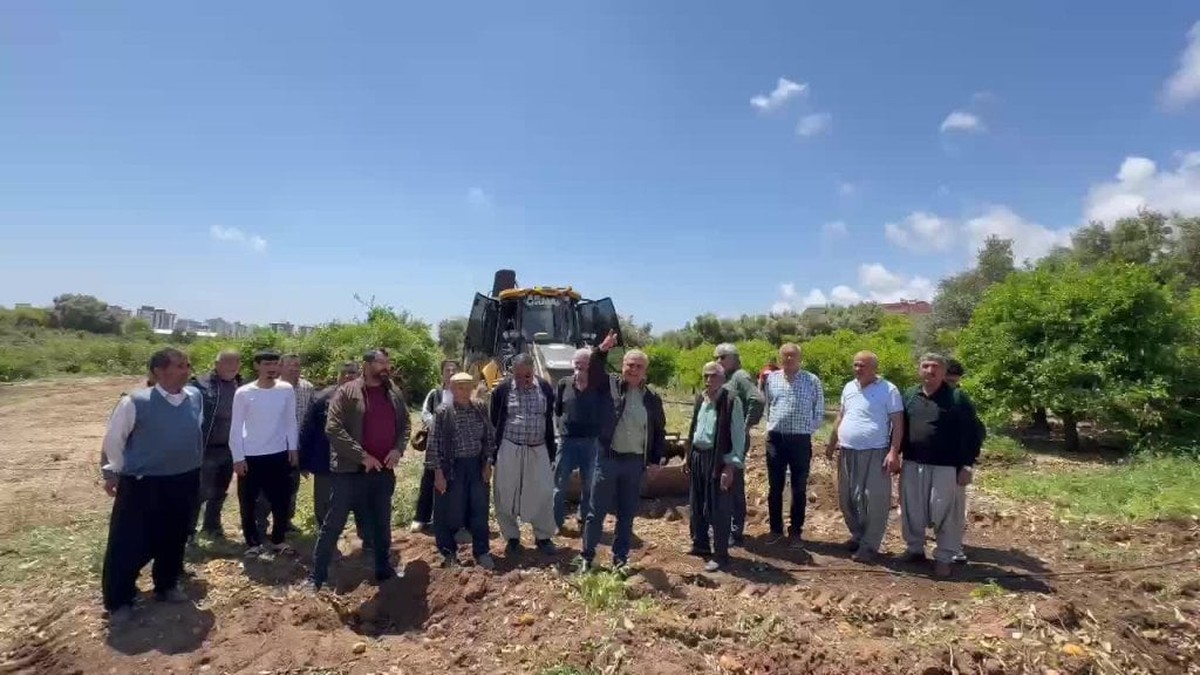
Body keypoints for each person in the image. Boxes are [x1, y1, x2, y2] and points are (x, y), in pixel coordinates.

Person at [99, 348, 203, 625]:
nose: (186, 370)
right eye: (179, 365)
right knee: (129, 541)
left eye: (187, 365)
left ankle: (166, 585)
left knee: (174, 536)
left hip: (184, 478)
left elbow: (194, 430)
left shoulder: (194, 397)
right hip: (144, 483)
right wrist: (120, 472)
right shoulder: (135, 401)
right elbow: (113, 442)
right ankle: (119, 599)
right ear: (159, 371)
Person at [310, 349, 410, 589]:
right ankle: (318, 577)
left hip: (383, 472)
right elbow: (333, 429)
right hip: (349, 472)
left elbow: (405, 424)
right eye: (381, 363)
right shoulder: (347, 392)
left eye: (388, 362)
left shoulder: (393, 392)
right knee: (333, 524)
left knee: (381, 523)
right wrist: (362, 456)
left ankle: (383, 569)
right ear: (367, 365)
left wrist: (397, 449)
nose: (386, 367)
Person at [577, 330, 667, 573]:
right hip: (608, 459)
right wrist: (602, 349)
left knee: (627, 515)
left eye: (638, 366)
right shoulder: (610, 387)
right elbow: (594, 371)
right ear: (623, 366)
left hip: (635, 463)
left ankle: (620, 559)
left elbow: (659, 431)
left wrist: (656, 460)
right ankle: (588, 557)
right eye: (629, 364)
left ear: (644, 371)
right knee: (596, 512)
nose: (633, 369)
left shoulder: (652, 398)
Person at [898, 353, 985, 578]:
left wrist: (967, 465)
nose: (930, 370)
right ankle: (915, 549)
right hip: (912, 462)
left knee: (947, 514)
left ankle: (944, 557)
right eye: (925, 366)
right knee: (912, 511)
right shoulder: (909, 395)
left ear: (943, 371)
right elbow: (900, 427)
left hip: (947, 467)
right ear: (919, 370)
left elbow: (974, 434)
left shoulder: (957, 398)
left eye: (935, 367)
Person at [825, 351, 904, 563]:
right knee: (847, 498)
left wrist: (894, 452)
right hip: (847, 451)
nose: (858, 369)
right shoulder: (849, 387)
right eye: (856, 365)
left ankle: (870, 545)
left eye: (863, 366)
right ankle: (858, 536)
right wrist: (831, 443)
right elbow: (841, 415)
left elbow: (898, 422)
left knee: (874, 500)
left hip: (875, 451)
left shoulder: (889, 390)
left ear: (874, 368)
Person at [230, 350, 299, 556]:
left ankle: (278, 540)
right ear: (256, 366)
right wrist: (238, 457)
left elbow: (290, 421)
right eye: (266, 364)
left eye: (274, 364)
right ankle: (253, 543)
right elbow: (236, 426)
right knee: (249, 502)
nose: (271, 368)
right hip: (251, 455)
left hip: (278, 453)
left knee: (281, 501)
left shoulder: (286, 389)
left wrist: (293, 447)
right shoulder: (243, 392)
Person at [489, 353, 558, 556]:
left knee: (543, 493)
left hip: (538, 448)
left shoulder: (545, 388)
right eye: (517, 377)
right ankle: (512, 538)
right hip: (510, 448)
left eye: (526, 377)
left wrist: (550, 450)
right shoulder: (502, 390)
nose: (521, 381)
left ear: (533, 372)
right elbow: (495, 420)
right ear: (512, 373)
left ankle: (543, 537)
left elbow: (549, 418)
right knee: (505, 493)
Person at [427, 371, 496, 569]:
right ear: (450, 388)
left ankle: (482, 551)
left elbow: (489, 438)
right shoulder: (443, 412)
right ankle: (449, 553)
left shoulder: (480, 408)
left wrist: (488, 463)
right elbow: (434, 444)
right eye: (459, 387)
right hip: (452, 467)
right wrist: (438, 474)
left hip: (476, 465)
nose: (463, 391)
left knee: (479, 509)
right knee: (448, 510)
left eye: (467, 386)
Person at [684, 362, 746, 572]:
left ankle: (720, 554)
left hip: (718, 458)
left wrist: (730, 466)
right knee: (697, 502)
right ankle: (700, 544)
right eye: (706, 376)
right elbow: (694, 429)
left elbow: (738, 435)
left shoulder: (731, 401)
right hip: (698, 457)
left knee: (719, 507)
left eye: (713, 376)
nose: (709, 380)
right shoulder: (701, 398)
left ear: (722, 378)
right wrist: (687, 457)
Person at [298, 360, 367, 545]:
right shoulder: (322, 397)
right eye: (344, 372)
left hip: (358, 461)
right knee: (324, 503)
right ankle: (326, 538)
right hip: (325, 460)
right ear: (337, 375)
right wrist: (303, 461)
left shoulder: (368, 397)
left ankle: (366, 538)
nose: (347, 376)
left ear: (359, 374)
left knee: (361, 500)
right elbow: (307, 428)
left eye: (352, 372)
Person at [761, 343, 824, 545]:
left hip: (800, 440)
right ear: (780, 358)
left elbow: (819, 409)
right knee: (775, 486)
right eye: (785, 356)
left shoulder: (811, 380)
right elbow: (767, 405)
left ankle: (795, 531)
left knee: (799, 487)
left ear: (799, 358)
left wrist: (808, 429)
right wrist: (770, 426)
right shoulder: (771, 379)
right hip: (776, 439)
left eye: (792, 356)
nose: (788, 359)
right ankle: (775, 530)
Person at [187, 349, 242, 541]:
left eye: (236, 364)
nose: (232, 367)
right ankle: (188, 532)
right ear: (217, 364)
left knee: (220, 490)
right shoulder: (200, 385)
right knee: (200, 492)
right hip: (206, 447)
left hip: (229, 448)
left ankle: (212, 526)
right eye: (227, 363)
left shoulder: (241, 386)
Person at [713, 343, 764, 547]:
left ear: (734, 358)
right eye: (716, 357)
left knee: (734, 483)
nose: (718, 361)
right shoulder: (726, 378)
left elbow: (758, 399)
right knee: (723, 481)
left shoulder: (740, 376)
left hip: (735, 439)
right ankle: (723, 528)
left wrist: (744, 427)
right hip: (722, 439)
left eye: (722, 357)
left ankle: (736, 531)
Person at [553, 348, 604, 532]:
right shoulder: (563, 384)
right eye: (577, 365)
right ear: (572, 365)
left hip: (591, 443)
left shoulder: (599, 387)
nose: (580, 370)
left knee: (589, 486)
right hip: (567, 442)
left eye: (585, 366)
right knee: (559, 486)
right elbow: (557, 410)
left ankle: (584, 521)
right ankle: (556, 522)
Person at [410, 359, 458, 533]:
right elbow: (425, 413)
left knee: (454, 481)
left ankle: (451, 519)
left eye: (454, 370)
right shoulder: (434, 393)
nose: (451, 372)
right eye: (447, 370)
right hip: (435, 444)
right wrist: (438, 426)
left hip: (457, 445)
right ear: (442, 374)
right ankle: (421, 518)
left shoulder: (464, 393)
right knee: (429, 478)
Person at [943, 357, 978, 565]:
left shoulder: (961, 400)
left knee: (955, 508)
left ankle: (955, 547)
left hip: (954, 464)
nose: (951, 386)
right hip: (927, 463)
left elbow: (974, 435)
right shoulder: (921, 396)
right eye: (948, 381)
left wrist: (967, 465)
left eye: (954, 382)